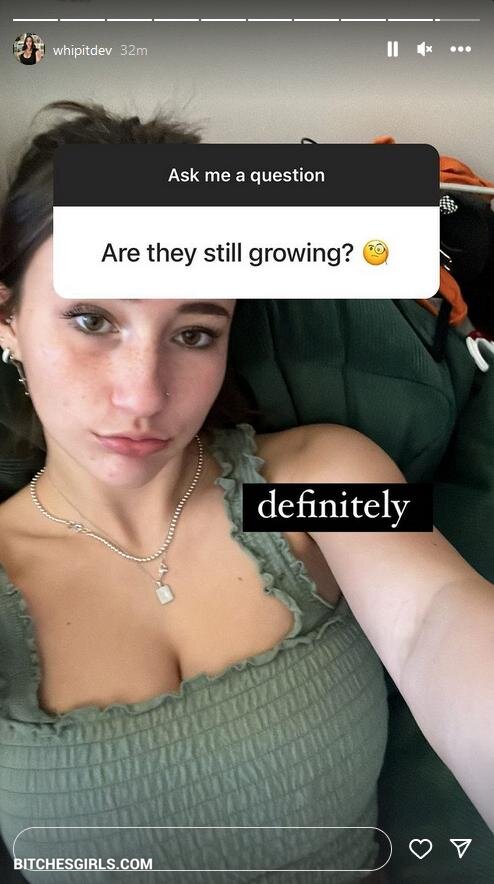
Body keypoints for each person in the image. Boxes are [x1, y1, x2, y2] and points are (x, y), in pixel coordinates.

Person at [0, 102, 492, 884]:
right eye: (91, 320)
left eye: (194, 333)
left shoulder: (307, 485)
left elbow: (436, 617)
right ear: (9, 320)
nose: (143, 395)